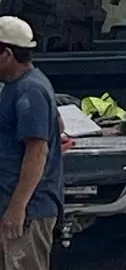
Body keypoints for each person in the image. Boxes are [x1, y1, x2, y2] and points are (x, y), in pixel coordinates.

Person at [0, 16, 63, 269]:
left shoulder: (30, 91)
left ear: (6, 54)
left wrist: (17, 209)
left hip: (29, 211)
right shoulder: (18, 87)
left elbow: (37, 152)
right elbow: (58, 125)